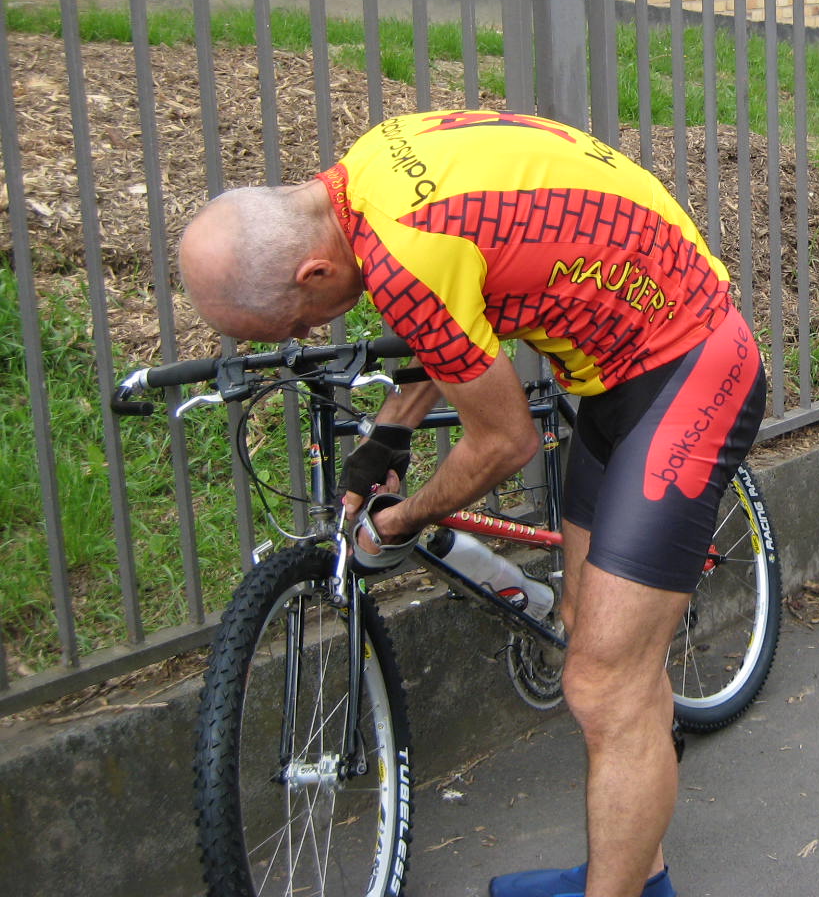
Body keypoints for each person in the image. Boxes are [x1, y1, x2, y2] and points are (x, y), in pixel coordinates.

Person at [178, 108, 768, 897]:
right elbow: (459, 302)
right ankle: (635, 877)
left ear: (312, 274)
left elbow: (505, 442)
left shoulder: (401, 257)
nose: (310, 331)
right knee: (588, 633)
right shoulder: (371, 169)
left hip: (694, 365)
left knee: (605, 683)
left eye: (296, 322)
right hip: (620, 370)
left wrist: (402, 519)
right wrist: (389, 436)